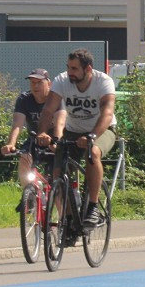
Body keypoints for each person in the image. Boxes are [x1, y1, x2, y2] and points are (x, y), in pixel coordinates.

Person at [36, 48, 117, 227]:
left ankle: (92, 208)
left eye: (74, 69)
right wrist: (42, 132)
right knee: (58, 173)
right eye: (68, 67)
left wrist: (92, 136)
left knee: (93, 152)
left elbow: (107, 113)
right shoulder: (62, 81)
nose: (70, 72)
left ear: (88, 69)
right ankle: (70, 219)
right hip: (73, 131)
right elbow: (49, 110)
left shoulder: (103, 82)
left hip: (102, 130)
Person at [0, 68, 53, 209]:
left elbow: (64, 122)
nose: (35, 86)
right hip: (35, 140)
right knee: (24, 158)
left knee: (56, 179)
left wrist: (56, 141)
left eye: (39, 82)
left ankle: (64, 219)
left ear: (49, 84)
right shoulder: (24, 99)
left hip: (55, 140)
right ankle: (30, 195)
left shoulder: (55, 99)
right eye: (32, 82)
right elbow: (17, 124)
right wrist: (11, 144)